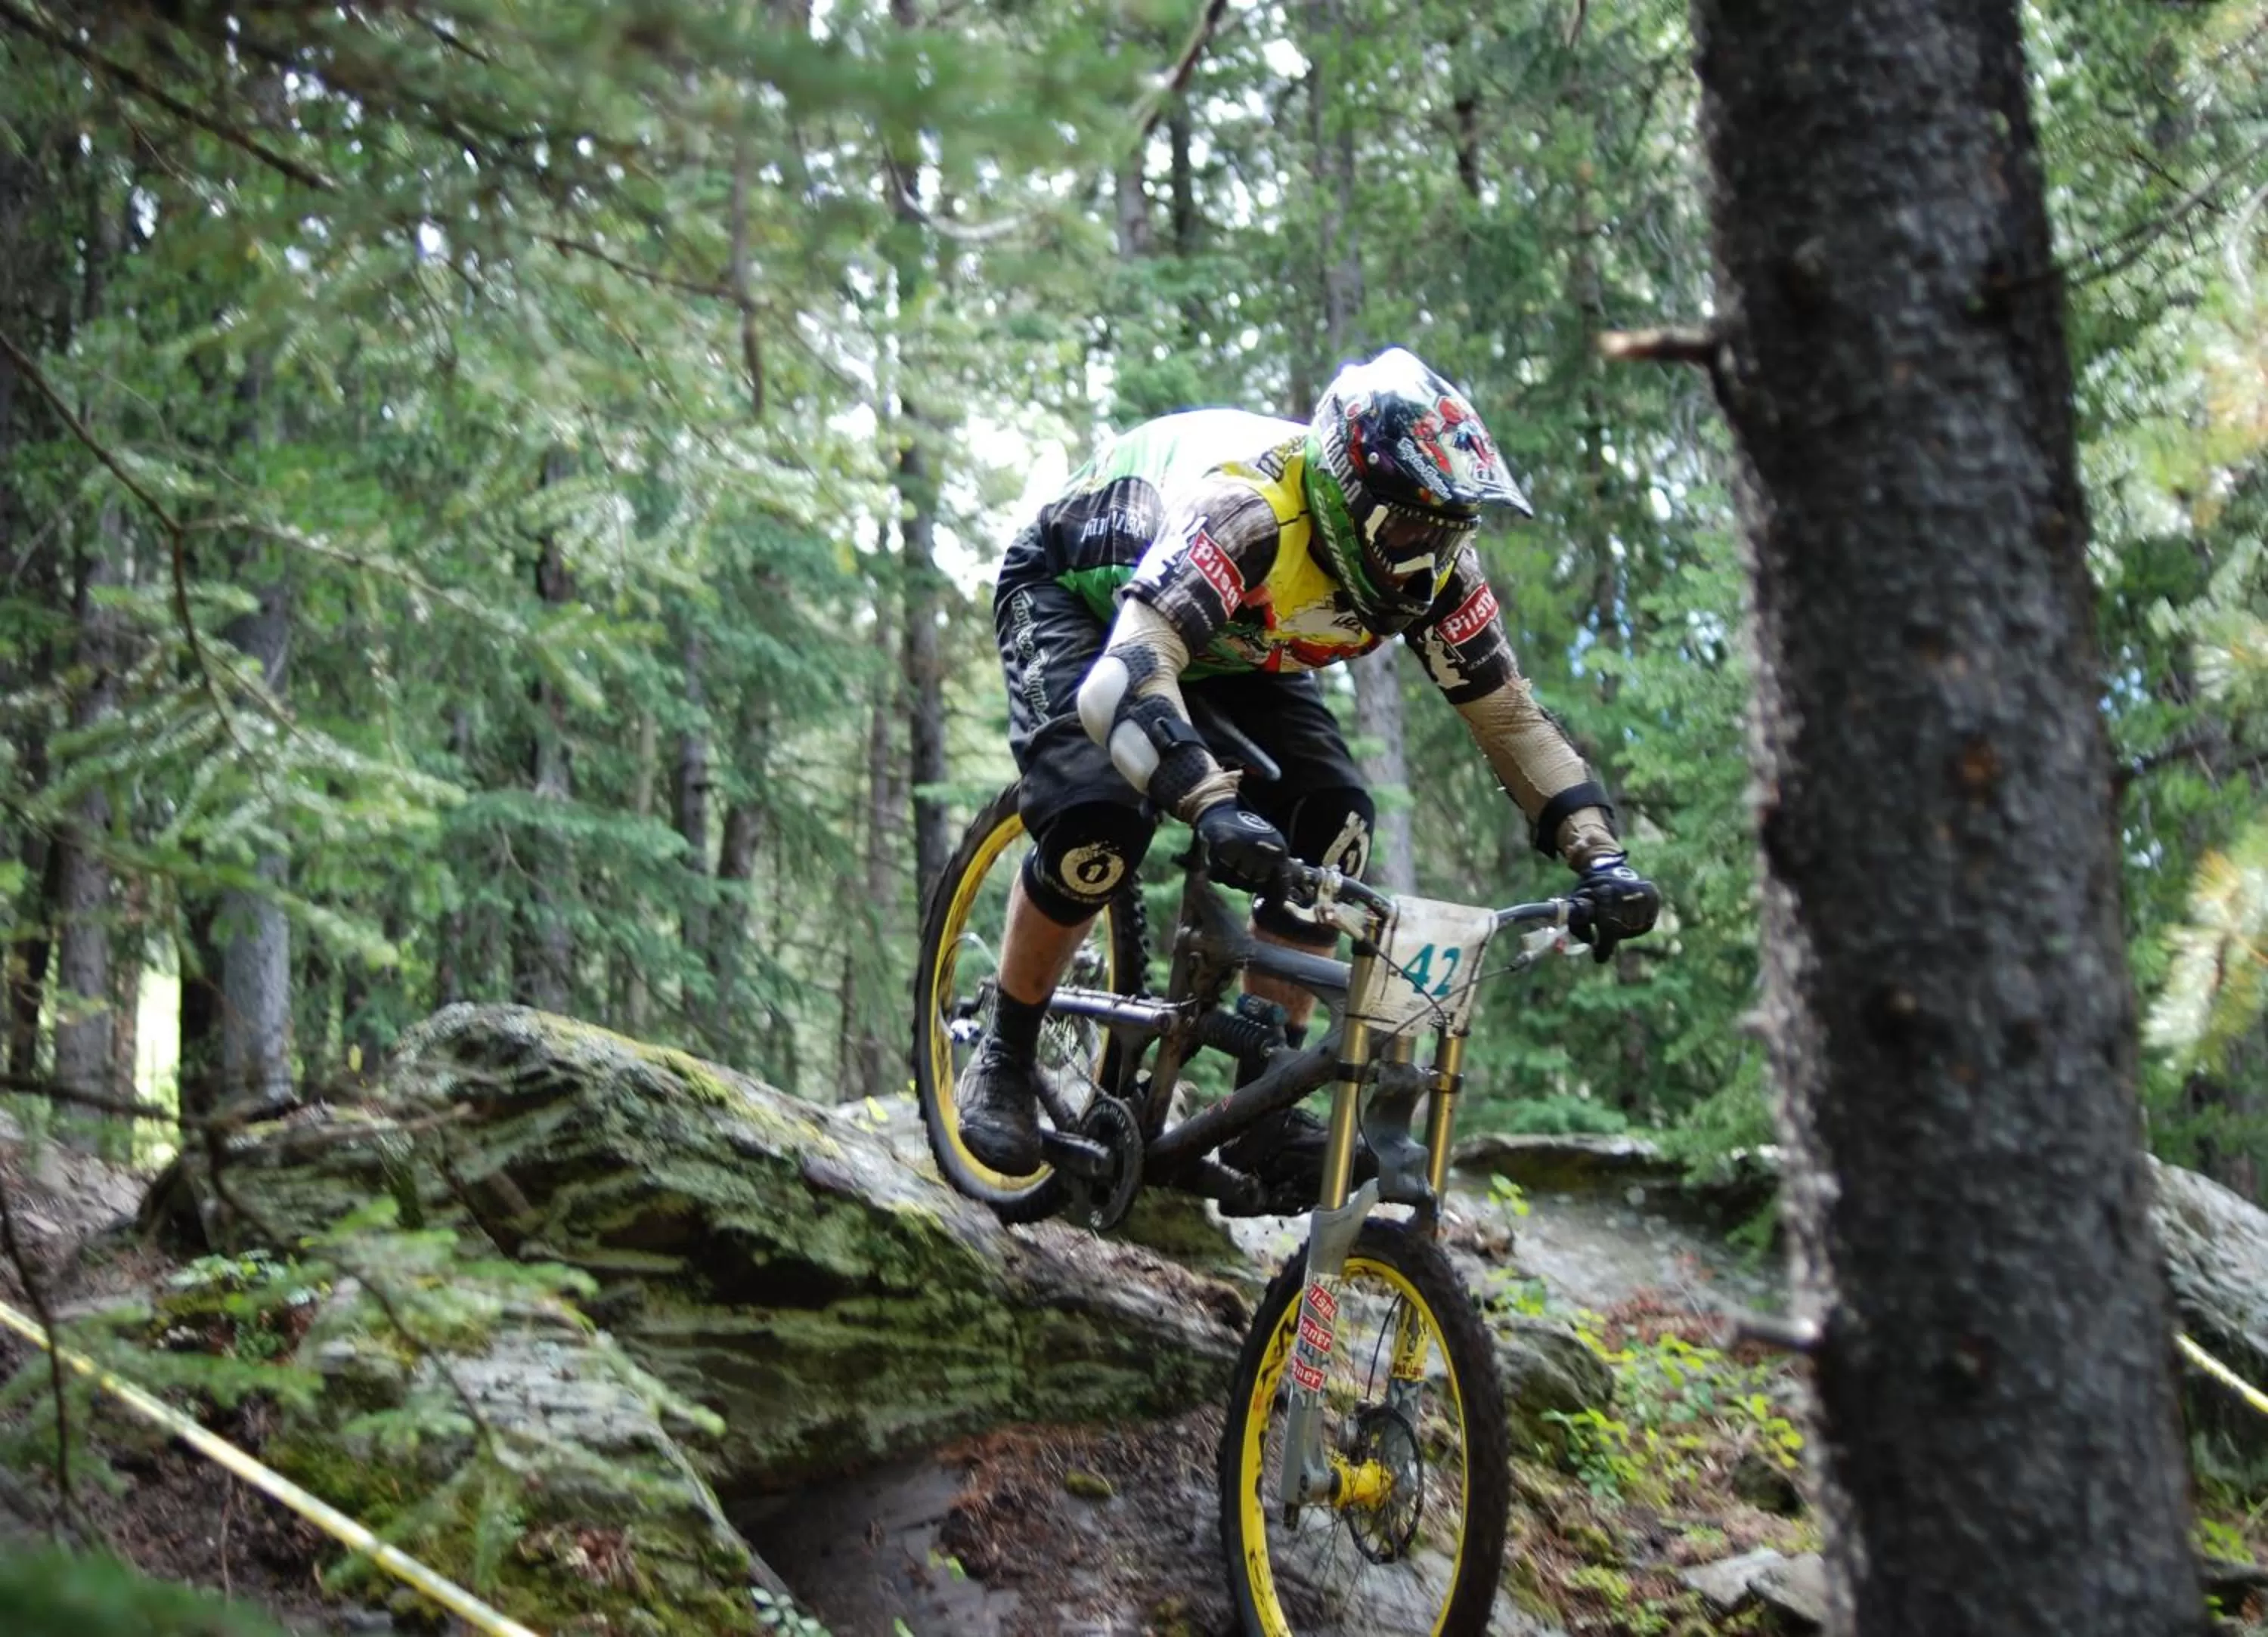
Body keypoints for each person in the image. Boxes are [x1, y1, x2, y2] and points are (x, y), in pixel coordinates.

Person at [961, 345, 1659, 1198]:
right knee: (1098, 819)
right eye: (1410, 530)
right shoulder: (1249, 514)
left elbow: (1508, 717)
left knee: (1333, 822)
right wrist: (1213, 802)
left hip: (1233, 640)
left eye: (1448, 533)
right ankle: (1004, 1047)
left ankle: (1261, 1092)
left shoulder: (1438, 573)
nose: (1426, 556)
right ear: (1347, 500)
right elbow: (1125, 679)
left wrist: (1599, 853)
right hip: (1082, 598)